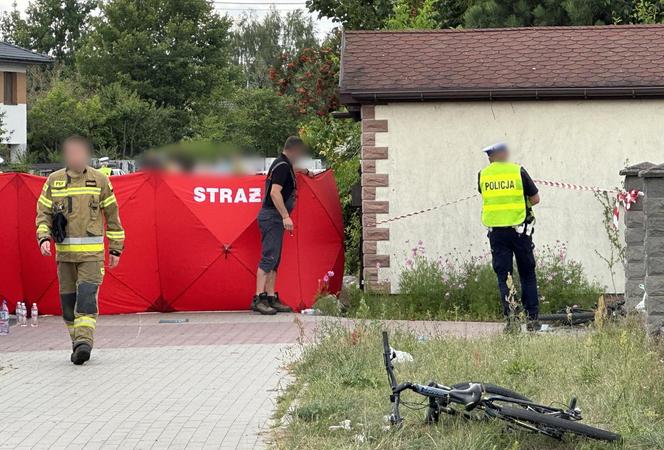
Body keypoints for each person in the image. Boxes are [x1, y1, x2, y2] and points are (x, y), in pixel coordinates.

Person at [36, 136, 125, 364]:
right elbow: (42, 214)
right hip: (64, 256)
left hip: (92, 257)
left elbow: (113, 217)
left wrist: (115, 250)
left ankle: (84, 343)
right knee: (68, 305)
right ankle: (77, 342)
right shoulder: (53, 182)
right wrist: (44, 237)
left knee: (86, 299)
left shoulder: (100, 180)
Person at [478, 143, 540, 331]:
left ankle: (511, 321)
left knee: (504, 277)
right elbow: (535, 198)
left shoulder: (483, 175)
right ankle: (532, 320)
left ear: (490, 157)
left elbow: (486, 196)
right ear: (503, 154)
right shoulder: (518, 171)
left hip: (496, 233)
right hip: (519, 229)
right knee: (527, 274)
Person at [253, 136, 313, 315]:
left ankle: (271, 297)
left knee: (275, 260)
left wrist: (304, 171)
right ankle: (259, 299)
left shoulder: (284, 164)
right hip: (272, 217)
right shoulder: (282, 166)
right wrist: (286, 216)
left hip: (274, 218)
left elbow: (289, 170)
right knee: (268, 257)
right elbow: (275, 193)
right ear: (294, 150)